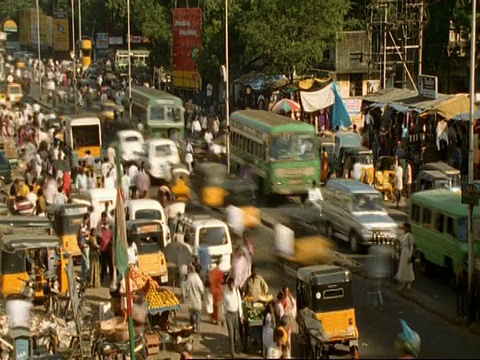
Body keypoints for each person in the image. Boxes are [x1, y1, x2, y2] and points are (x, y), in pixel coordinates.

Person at [223, 276, 243, 358]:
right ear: (228, 285)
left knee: (236, 332)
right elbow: (223, 305)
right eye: (230, 285)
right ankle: (232, 352)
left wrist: (241, 316)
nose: (231, 286)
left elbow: (239, 303)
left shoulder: (236, 291)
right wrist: (223, 317)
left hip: (236, 314)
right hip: (229, 315)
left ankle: (235, 346)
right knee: (231, 333)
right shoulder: (225, 292)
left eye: (232, 284)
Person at [184, 264, 204, 333]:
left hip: (190, 300)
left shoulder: (189, 277)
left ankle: (191, 328)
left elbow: (186, 287)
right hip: (196, 300)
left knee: (191, 316)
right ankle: (197, 329)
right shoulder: (197, 278)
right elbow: (201, 289)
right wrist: (203, 295)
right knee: (198, 315)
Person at [395, 222, 415, 291]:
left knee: (408, 267)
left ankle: (409, 283)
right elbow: (399, 241)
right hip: (403, 251)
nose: (404, 228)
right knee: (403, 267)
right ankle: (404, 282)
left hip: (407, 252)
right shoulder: (404, 234)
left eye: (405, 227)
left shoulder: (410, 235)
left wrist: (410, 256)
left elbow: (411, 246)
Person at [98, 212, 114, 282]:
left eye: (104, 217)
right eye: (102, 217)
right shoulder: (99, 224)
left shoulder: (110, 223)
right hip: (102, 249)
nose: (103, 218)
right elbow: (98, 235)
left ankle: (112, 277)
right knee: (103, 264)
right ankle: (102, 277)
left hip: (109, 248)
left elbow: (112, 235)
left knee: (110, 264)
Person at [282, 285, 296, 350]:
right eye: (285, 291)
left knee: (289, 334)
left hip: (289, 318)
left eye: (287, 291)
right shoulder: (283, 299)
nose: (286, 293)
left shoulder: (290, 298)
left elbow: (293, 305)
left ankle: (288, 349)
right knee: (285, 334)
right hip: (284, 319)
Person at [78, 213, 91, 281]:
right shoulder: (83, 225)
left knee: (83, 260)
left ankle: (83, 274)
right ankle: (87, 274)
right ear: (87, 218)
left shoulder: (82, 224)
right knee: (86, 260)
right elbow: (82, 233)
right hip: (85, 245)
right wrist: (88, 233)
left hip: (82, 244)